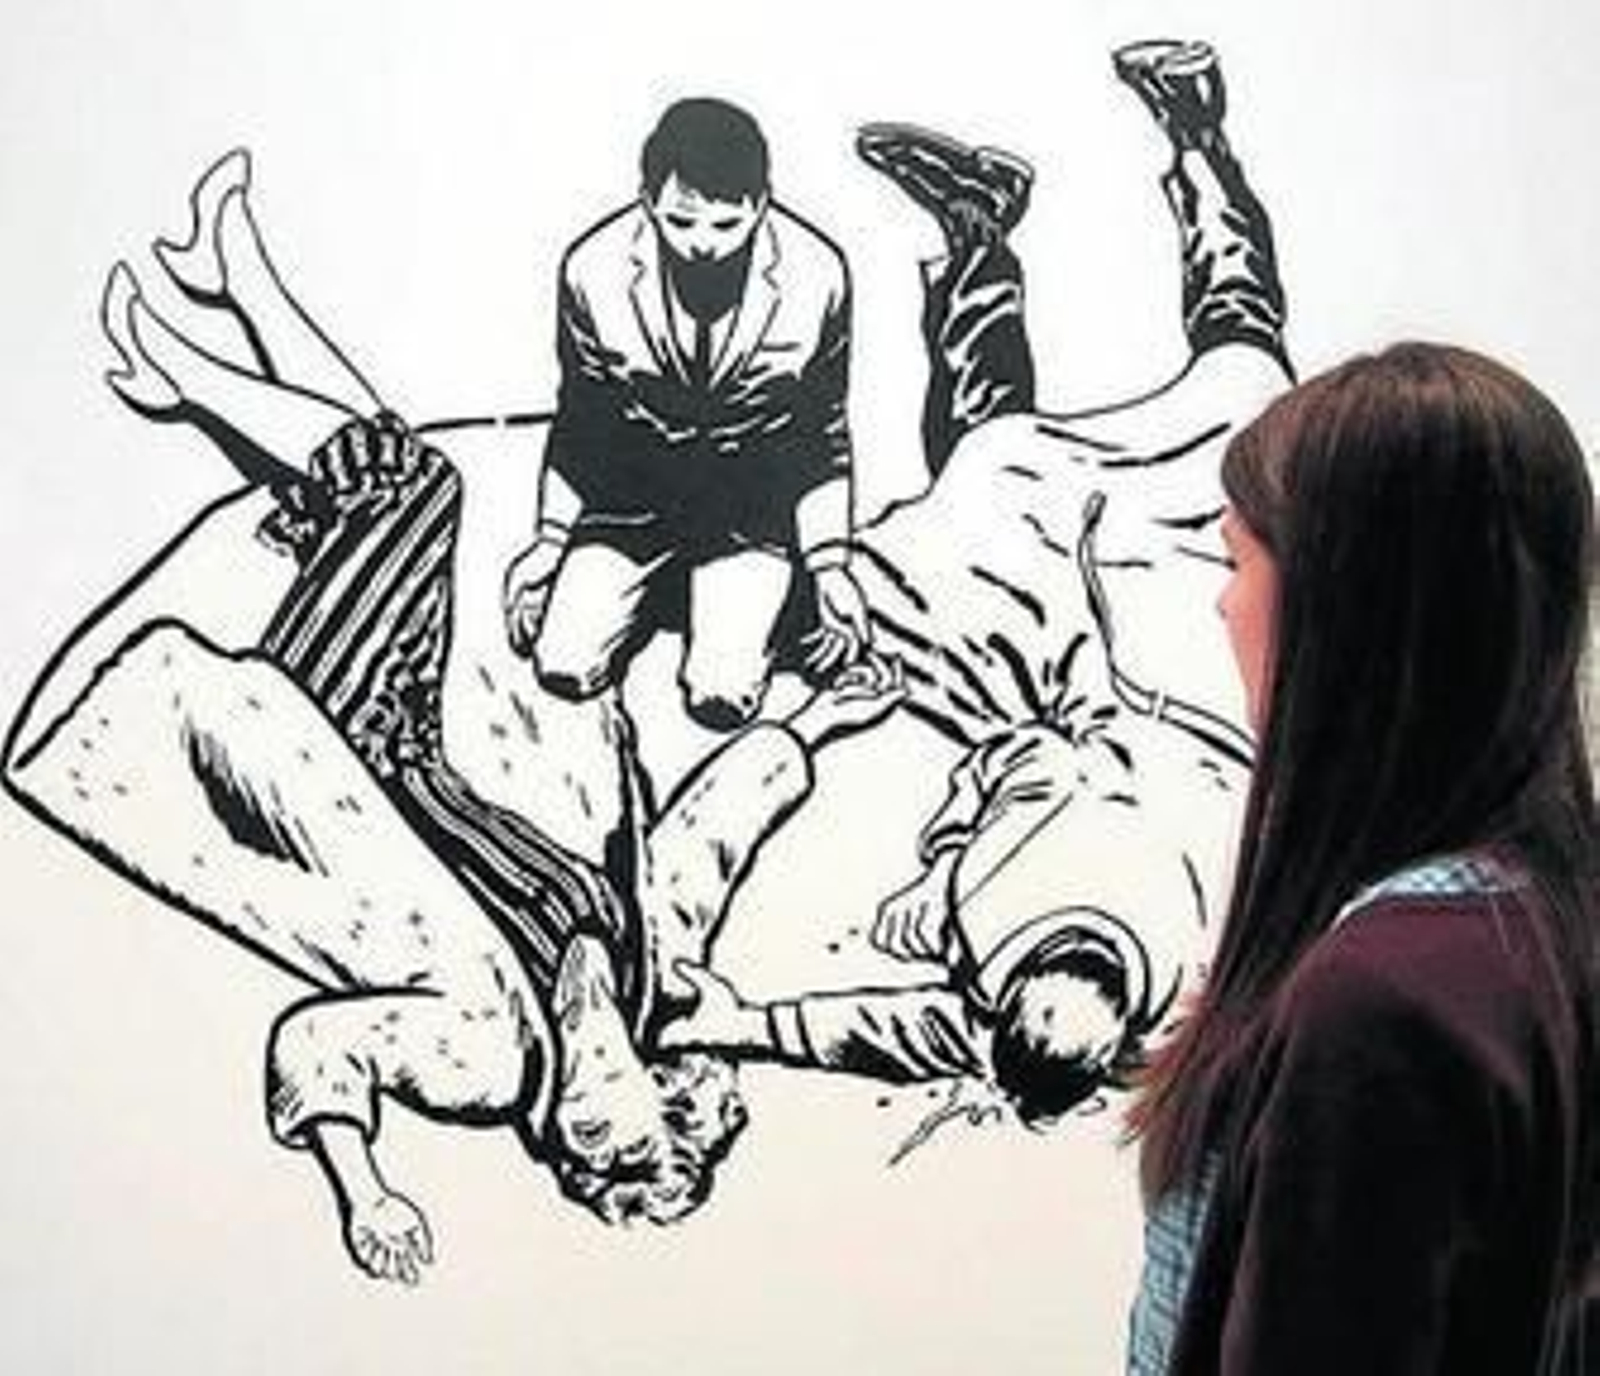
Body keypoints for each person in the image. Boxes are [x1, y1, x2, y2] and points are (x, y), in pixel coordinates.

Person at [1, 151, 903, 1284]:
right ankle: (236, 279)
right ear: (667, 1092)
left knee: (411, 488)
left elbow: (318, 1042)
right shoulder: (646, 979)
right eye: (630, 1140)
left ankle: (178, 372)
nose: (592, 1135)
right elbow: (703, 842)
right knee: (383, 481)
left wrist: (365, 1190)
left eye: (588, 1159)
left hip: (327, 754)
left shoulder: (482, 1061)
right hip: (413, 732)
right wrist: (817, 724)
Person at [664, 39, 1290, 1126]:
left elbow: (894, 1027)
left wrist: (743, 1016)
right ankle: (1195, 133)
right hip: (1210, 675)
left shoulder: (993, 940)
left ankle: (976, 233)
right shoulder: (1204, 992)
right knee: (1243, 389)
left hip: (1074, 698)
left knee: (984, 492)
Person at [1123, 343, 1600, 1374]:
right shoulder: (1531, 928)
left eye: (1234, 560)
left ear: (1344, 604)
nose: (1221, 604)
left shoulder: (1384, 1001)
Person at [502, 96, 872, 731]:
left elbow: (822, 432)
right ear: (647, 200)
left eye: (727, 225)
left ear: (762, 204)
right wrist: (549, 541)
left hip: (749, 508)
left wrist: (830, 563)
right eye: (681, 221)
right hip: (631, 502)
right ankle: (671, 595)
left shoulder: (820, 275)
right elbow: (583, 418)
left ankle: (759, 604)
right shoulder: (591, 269)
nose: (703, 244)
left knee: (721, 699)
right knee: (563, 667)